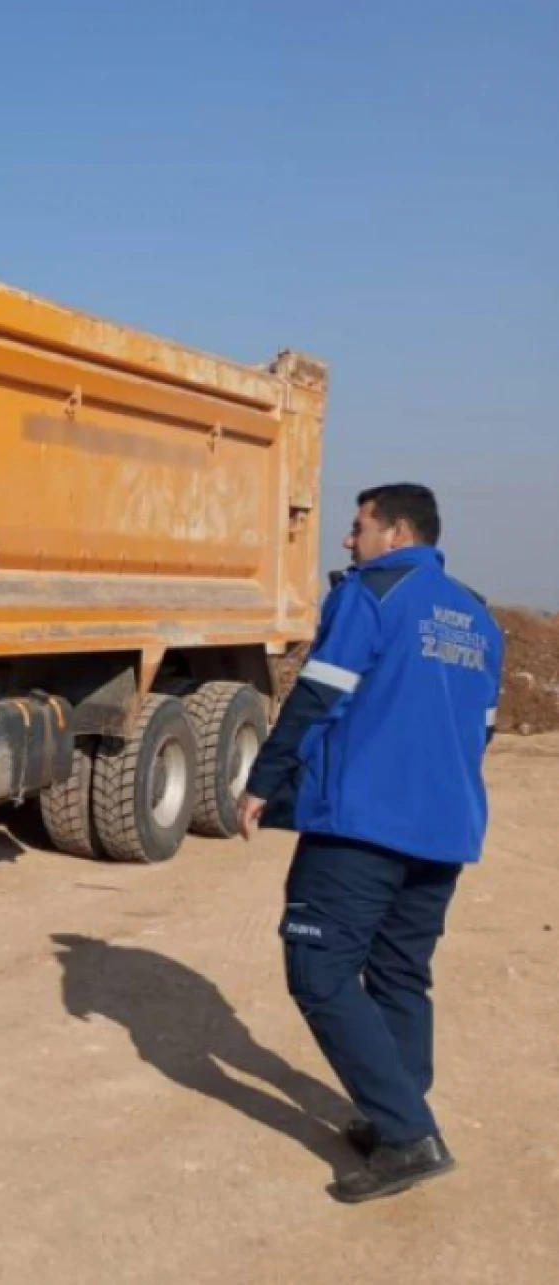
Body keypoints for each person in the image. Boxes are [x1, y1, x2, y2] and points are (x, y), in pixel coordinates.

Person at [237, 483, 503, 1204]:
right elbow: (481, 729)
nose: (348, 541)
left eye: (359, 528)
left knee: (318, 968)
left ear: (397, 533)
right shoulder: (479, 616)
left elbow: (318, 697)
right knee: (399, 973)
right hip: (445, 829)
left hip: (362, 824)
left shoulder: (372, 594)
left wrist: (263, 781)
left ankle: (409, 1136)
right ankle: (395, 1118)